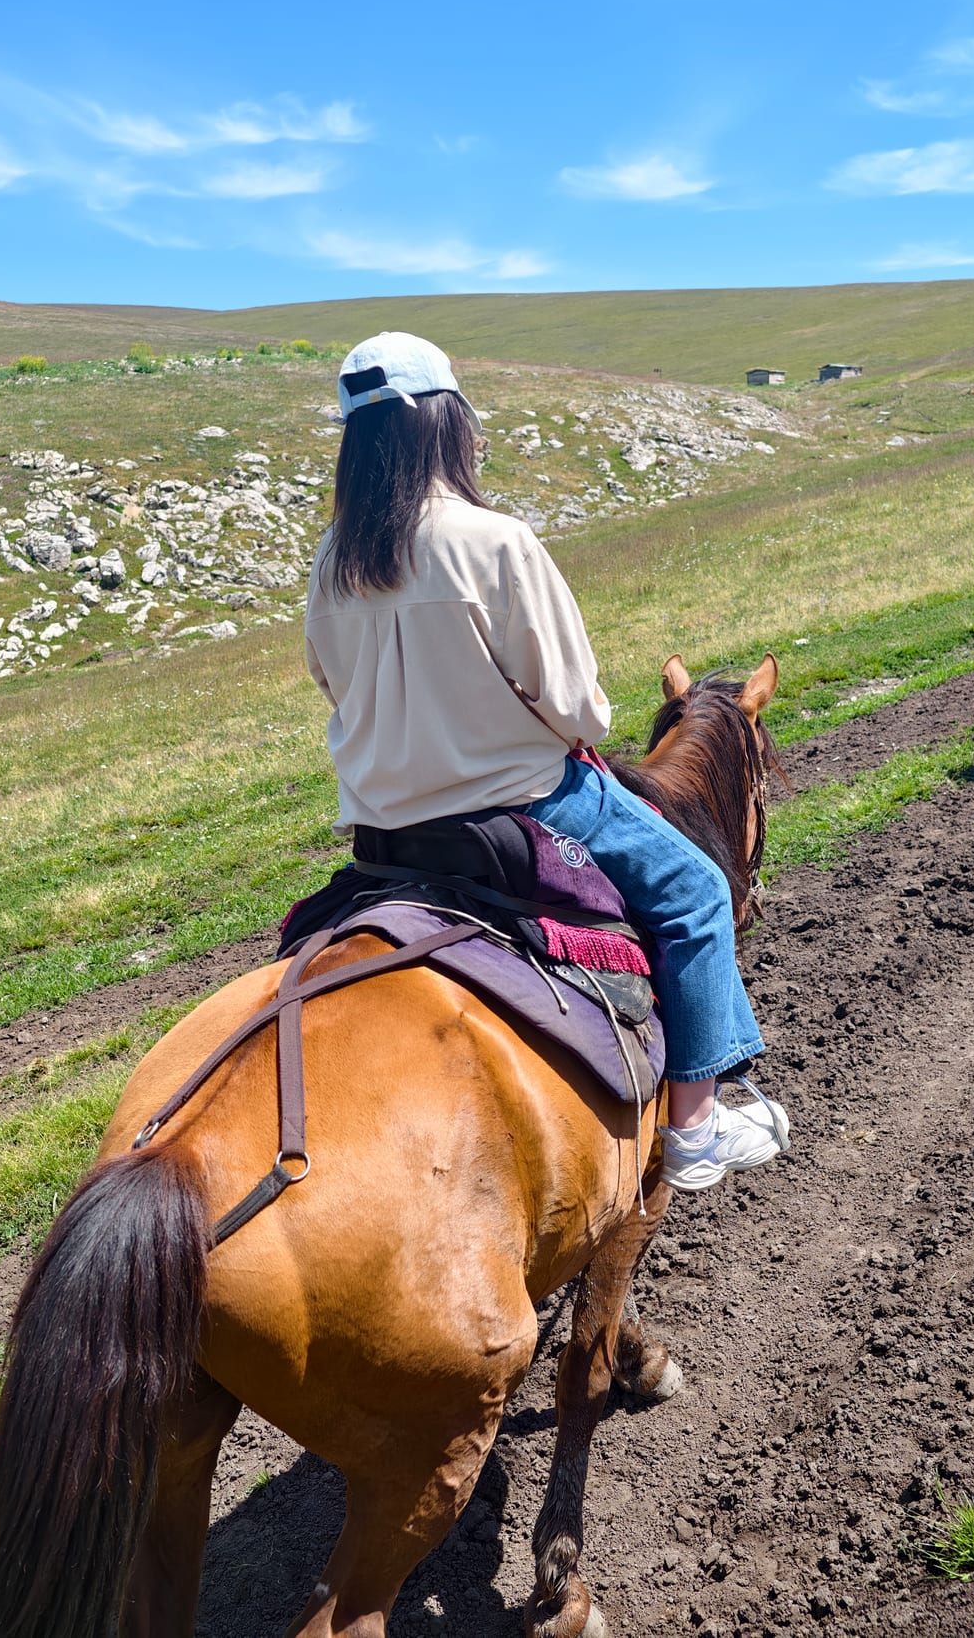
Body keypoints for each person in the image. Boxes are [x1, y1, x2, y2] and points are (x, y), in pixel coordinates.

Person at [304, 331, 789, 1190]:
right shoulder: (494, 541)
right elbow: (579, 709)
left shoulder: (334, 561)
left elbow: (331, 683)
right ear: (446, 424)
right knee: (698, 893)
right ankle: (696, 1126)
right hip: (524, 804)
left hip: (384, 831)